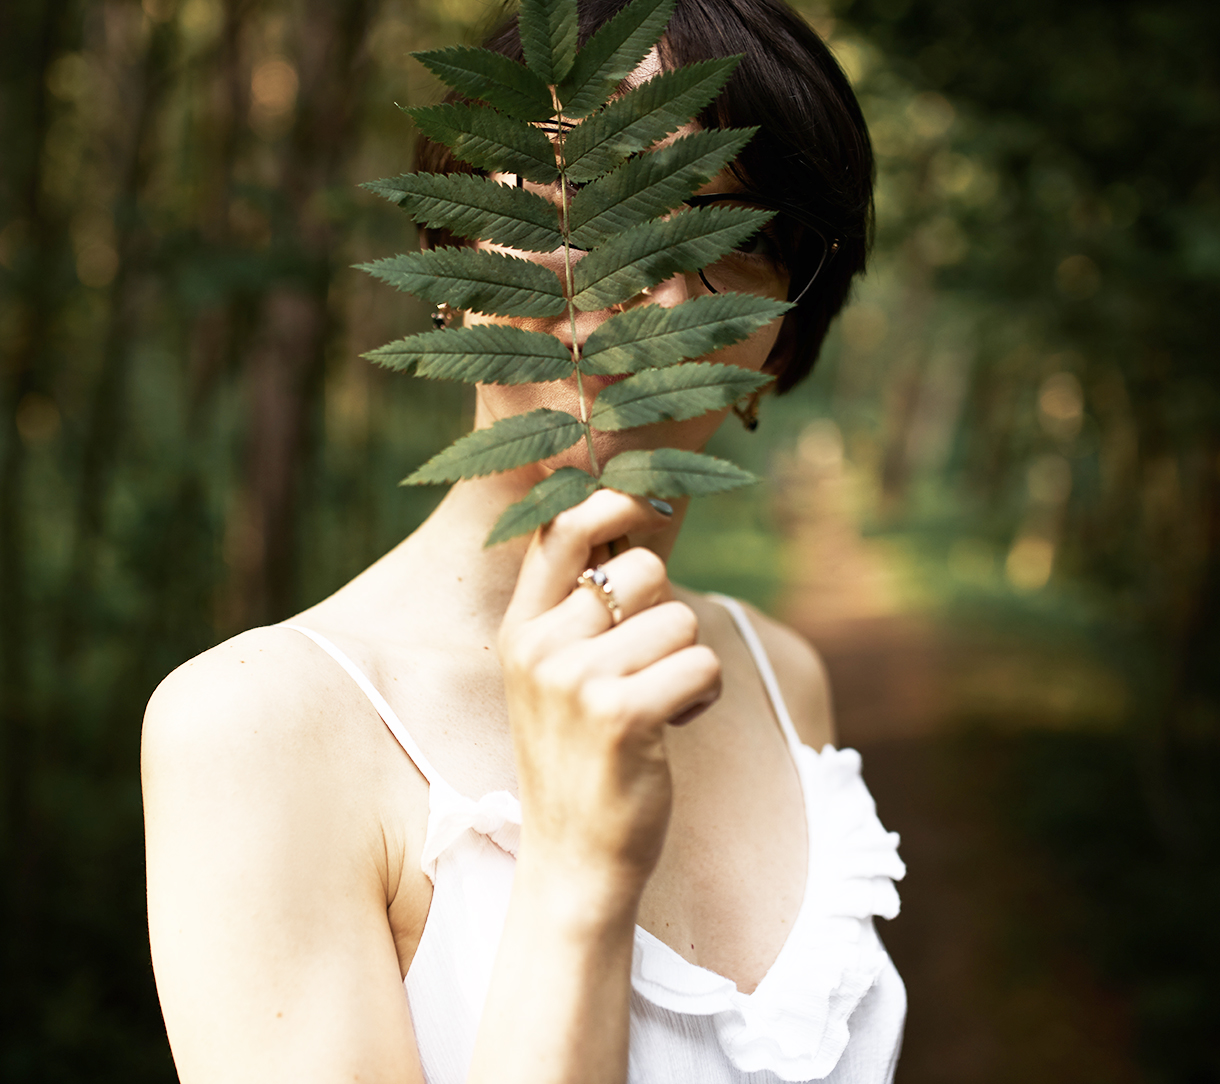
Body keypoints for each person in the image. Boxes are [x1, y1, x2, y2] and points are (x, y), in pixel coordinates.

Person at [141, 0, 906, 1081]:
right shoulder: (259, 727)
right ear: (454, 254)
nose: (652, 287)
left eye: (738, 239)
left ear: (780, 348)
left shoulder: (782, 678)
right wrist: (576, 873)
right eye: (590, 204)